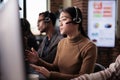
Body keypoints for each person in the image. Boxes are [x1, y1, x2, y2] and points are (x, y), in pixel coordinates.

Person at [26, 6, 97, 80]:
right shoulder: (62, 42)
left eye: (64, 19)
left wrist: (51, 75)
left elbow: (84, 78)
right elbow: (55, 67)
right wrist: (38, 61)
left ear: (77, 20)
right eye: (60, 21)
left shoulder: (89, 47)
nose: (60, 24)